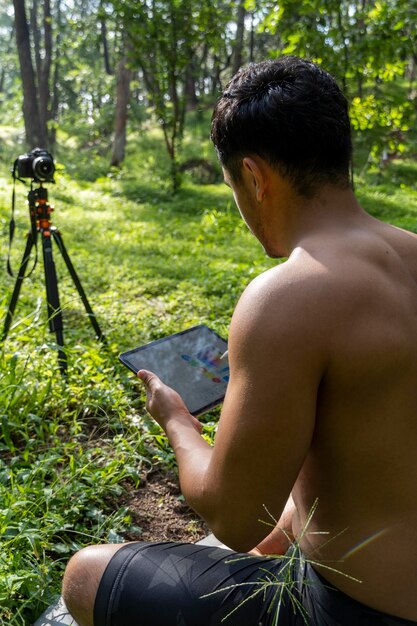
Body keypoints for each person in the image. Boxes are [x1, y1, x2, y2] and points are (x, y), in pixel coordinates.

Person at [62, 56, 417, 626]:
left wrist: (176, 419)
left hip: (353, 611)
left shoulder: (287, 295)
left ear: (254, 177)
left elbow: (234, 520)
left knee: (85, 575)